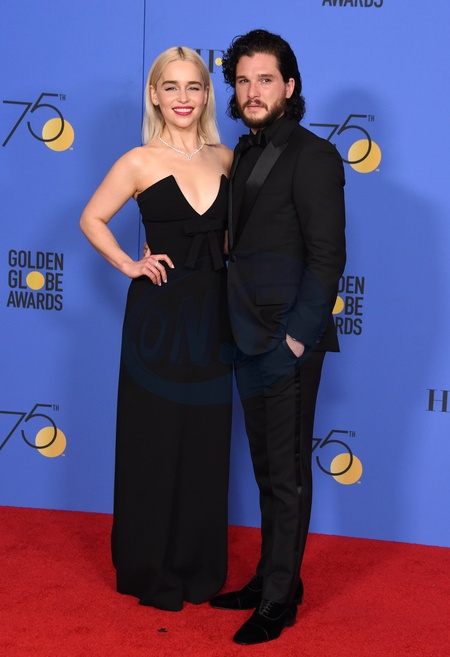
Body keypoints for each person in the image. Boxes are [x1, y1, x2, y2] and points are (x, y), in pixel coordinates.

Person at [80, 46, 233, 611]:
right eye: (171, 87)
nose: (183, 98)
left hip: (214, 316)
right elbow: (91, 217)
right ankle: (149, 566)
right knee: (154, 441)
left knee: (205, 441)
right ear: (154, 95)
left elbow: (236, 237)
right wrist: (129, 263)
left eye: (194, 87)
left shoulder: (227, 157)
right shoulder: (138, 161)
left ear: (207, 94)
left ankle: (198, 565)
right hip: (158, 318)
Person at [210, 30, 346, 644]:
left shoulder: (314, 156)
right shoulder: (244, 151)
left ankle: (279, 601)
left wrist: (296, 340)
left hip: (288, 340)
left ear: (289, 86)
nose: (252, 90)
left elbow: (327, 257)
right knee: (267, 469)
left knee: (288, 474)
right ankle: (272, 578)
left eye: (265, 79)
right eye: (242, 80)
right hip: (245, 333)